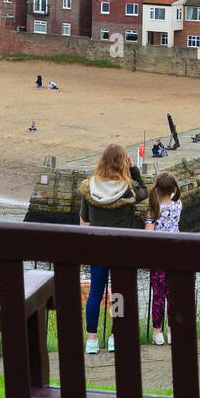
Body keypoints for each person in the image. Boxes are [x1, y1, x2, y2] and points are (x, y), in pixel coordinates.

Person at [79, 143, 138, 354]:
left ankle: (92, 339)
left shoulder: (90, 188)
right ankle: (114, 336)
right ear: (123, 162)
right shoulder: (128, 189)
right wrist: (133, 169)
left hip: (97, 248)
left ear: (102, 160)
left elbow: (84, 221)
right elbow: (143, 193)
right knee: (119, 295)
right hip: (122, 250)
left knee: (96, 292)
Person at [144, 173, 182, 344]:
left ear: (157, 189)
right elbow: (173, 195)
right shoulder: (178, 206)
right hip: (175, 255)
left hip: (158, 258)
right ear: (173, 190)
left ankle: (157, 332)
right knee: (173, 295)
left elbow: (148, 234)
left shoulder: (154, 210)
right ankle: (172, 331)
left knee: (158, 295)